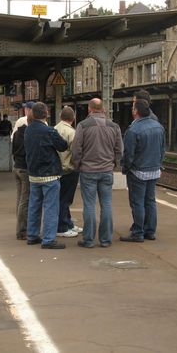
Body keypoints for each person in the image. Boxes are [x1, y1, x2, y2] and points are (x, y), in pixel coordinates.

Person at [72, 98, 123, 248]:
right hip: (106, 171)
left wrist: (77, 165)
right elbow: (120, 149)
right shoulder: (114, 126)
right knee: (106, 204)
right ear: (104, 110)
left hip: (88, 171)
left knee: (89, 205)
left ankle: (88, 240)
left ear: (89, 109)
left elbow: (76, 149)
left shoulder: (82, 125)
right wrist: (115, 164)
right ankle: (106, 239)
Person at [24, 101, 68, 249]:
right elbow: (63, 146)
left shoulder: (28, 130)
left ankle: (32, 235)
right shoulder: (49, 131)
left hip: (33, 174)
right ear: (46, 113)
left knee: (34, 205)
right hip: (49, 174)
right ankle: (48, 239)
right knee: (50, 207)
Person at [120, 98, 166, 242]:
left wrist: (126, 168)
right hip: (154, 170)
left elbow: (129, 154)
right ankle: (150, 231)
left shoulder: (133, 130)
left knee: (137, 202)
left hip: (138, 171)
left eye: (133, 108)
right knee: (150, 201)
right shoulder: (159, 127)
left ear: (136, 111)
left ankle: (138, 232)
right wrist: (158, 164)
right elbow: (162, 149)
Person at [54, 106, 81, 238]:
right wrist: (77, 165)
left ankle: (68, 223)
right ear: (73, 118)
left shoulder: (55, 129)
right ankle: (62, 227)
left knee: (62, 198)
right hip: (68, 169)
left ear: (60, 117)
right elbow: (76, 152)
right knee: (65, 199)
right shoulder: (72, 132)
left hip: (56, 168)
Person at [12, 111, 31, 240]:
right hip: (25, 169)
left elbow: (13, 150)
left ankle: (20, 227)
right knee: (25, 200)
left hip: (16, 167)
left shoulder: (17, 134)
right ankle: (22, 230)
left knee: (20, 199)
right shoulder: (28, 135)